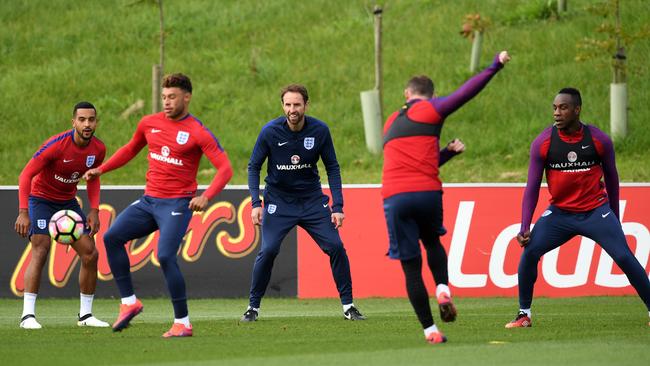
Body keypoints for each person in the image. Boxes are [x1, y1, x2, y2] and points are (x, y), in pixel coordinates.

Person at [83, 73, 233, 337]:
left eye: (172, 97)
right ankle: (129, 303)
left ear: (187, 97)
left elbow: (225, 169)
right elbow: (130, 149)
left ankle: (182, 323)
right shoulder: (148, 123)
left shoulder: (197, 131)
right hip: (149, 201)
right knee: (112, 237)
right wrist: (101, 169)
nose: (166, 101)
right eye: (164, 97)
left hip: (177, 203)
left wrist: (206, 196)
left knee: (164, 256)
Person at [382, 51, 511, 344]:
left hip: (395, 195)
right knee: (432, 242)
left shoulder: (390, 122)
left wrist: (446, 154)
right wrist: (495, 66)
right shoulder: (432, 109)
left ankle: (431, 332)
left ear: (406, 94)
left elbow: (410, 161)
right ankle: (443, 288)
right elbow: (466, 92)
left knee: (411, 268)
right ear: (432, 96)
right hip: (427, 193)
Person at [505, 87, 650, 328]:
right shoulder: (542, 143)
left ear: (577, 110)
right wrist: (524, 226)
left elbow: (612, 179)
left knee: (624, 255)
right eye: (554, 108)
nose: (557, 113)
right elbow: (531, 187)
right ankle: (524, 315)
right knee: (530, 252)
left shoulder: (599, 139)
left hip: (596, 211)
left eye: (563, 107)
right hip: (560, 214)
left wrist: (614, 215)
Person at [241, 84, 365, 322]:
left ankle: (349, 306)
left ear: (306, 105)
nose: (292, 109)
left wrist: (338, 206)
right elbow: (253, 166)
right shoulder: (269, 132)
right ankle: (252, 308)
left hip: (311, 202)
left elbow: (332, 167)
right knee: (268, 251)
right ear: (282, 106)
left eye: (297, 104)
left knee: (336, 247)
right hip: (278, 202)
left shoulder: (320, 130)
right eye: (287, 104)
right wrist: (255, 203)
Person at [15, 101, 109, 329]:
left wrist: (94, 210)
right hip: (40, 200)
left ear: (96, 122)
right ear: (73, 122)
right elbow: (26, 175)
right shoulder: (56, 145)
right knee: (41, 246)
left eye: (91, 120)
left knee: (90, 254)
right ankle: (27, 316)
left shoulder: (98, 149)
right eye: (82, 119)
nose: (87, 124)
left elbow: (93, 178)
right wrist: (23, 212)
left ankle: (85, 316)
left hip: (67, 203)